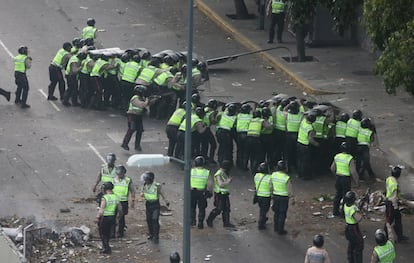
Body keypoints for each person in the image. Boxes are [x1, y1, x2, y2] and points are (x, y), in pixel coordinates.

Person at [121, 85, 155, 151]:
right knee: (131, 129)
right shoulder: (135, 98)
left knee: (140, 131)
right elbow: (142, 105)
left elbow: (148, 104)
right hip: (132, 115)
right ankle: (124, 144)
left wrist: (153, 100)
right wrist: (147, 101)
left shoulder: (142, 98)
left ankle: (137, 146)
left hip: (139, 116)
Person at [331, 142, 359, 217]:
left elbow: (332, 168)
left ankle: (335, 211)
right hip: (346, 179)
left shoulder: (337, 156)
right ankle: (344, 213)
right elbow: (353, 171)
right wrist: (357, 182)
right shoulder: (350, 158)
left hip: (338, 177)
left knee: (337, 195)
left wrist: (336, 176)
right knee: (346, 196)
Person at [141, 171, 169, 244]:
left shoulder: (156, 186)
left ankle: (156, 236)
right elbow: (143, 192)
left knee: (155, 219)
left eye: (146, 179)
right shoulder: (144, 185)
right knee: (149, 220)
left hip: (155, 204)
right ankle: (151, 234)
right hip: (148, 204)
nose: (145, 181)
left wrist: (166, 200)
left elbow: (162, 193)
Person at [95, 182, 122, 254]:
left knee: (103, 233)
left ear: (105, 189)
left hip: (105, 218)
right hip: (112, 217)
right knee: (108, 233)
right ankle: (107, 246)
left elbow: (101, 209)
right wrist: (119, 216)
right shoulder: (116, 197)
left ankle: (106, 248)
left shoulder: (105, 198)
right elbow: (120, 209)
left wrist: (97, 217)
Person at [206, 160, 235, 228]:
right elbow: (220, 184)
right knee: (219, 209)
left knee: (227, 209)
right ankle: (209, 220)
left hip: (225, 193)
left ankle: (226, 223)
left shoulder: (224, 172)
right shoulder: (219, 173)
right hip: (219, 194)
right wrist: (228, 181)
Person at [385, 165, 408, 242]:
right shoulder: (395, 185)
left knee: (397, 219)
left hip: (389, 202)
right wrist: (395, 207)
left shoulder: (389, 179)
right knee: (390, 220)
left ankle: (400, 236)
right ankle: (385, 236)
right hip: (392, 204)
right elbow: (394, 197)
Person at [271, 160, 294, 235]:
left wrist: (271, 194)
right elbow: (289, 189)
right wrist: (292, 198)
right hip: (283, 198)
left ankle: (276, 227)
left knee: (276, 212)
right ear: (285, 169)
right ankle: (280, 230)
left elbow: (270, 186)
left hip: (275, 196)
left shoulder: (273, 175)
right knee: (282, 213)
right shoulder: (286, 178)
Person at [112, 165, 135, 238]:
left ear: (124, 173)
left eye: (121, 174)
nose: (119, 175)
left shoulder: (128, 180)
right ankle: (112, 232)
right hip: (114, 201)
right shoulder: (114, 179)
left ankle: (120, 233)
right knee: (113, 216)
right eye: (118, 174)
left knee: (121, 217)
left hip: (123, 201)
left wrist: (133, 200)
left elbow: (132, 190)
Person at [190, 156, 213, 229]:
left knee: (192, 207)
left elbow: (187, 181)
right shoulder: (206, 172)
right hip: (202, 192)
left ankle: (192, 221)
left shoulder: (192, 171)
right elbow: (210, 183)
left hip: (192, 191)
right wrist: (210, 192)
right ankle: (200, 223)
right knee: (202, 208)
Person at [297, 112, 319, 180]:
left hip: (299, 143)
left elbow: (304, 116)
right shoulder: (310, 128)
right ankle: (305, 176)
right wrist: (317, 144)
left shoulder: (303, 121)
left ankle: (299, 174)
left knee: (299, 160)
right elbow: (310, 140)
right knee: (305, 161)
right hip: (305, 146)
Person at [343, 191, 364, 263]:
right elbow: (359, 218)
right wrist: (360, 212)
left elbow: (355, 206)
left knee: (351, 244)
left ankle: (350, 260)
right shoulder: (352, 209)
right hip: (353, 228)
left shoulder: (346, 205)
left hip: (348, 228)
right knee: (359, 244)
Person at [254, 162, 272, 230]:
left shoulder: (256, 176)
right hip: (266, 196)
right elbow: (271, 187)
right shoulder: (269, 178)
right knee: (264, 210)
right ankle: (261, 223)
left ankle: (263, 218)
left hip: (258, 196)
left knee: (262, 209)